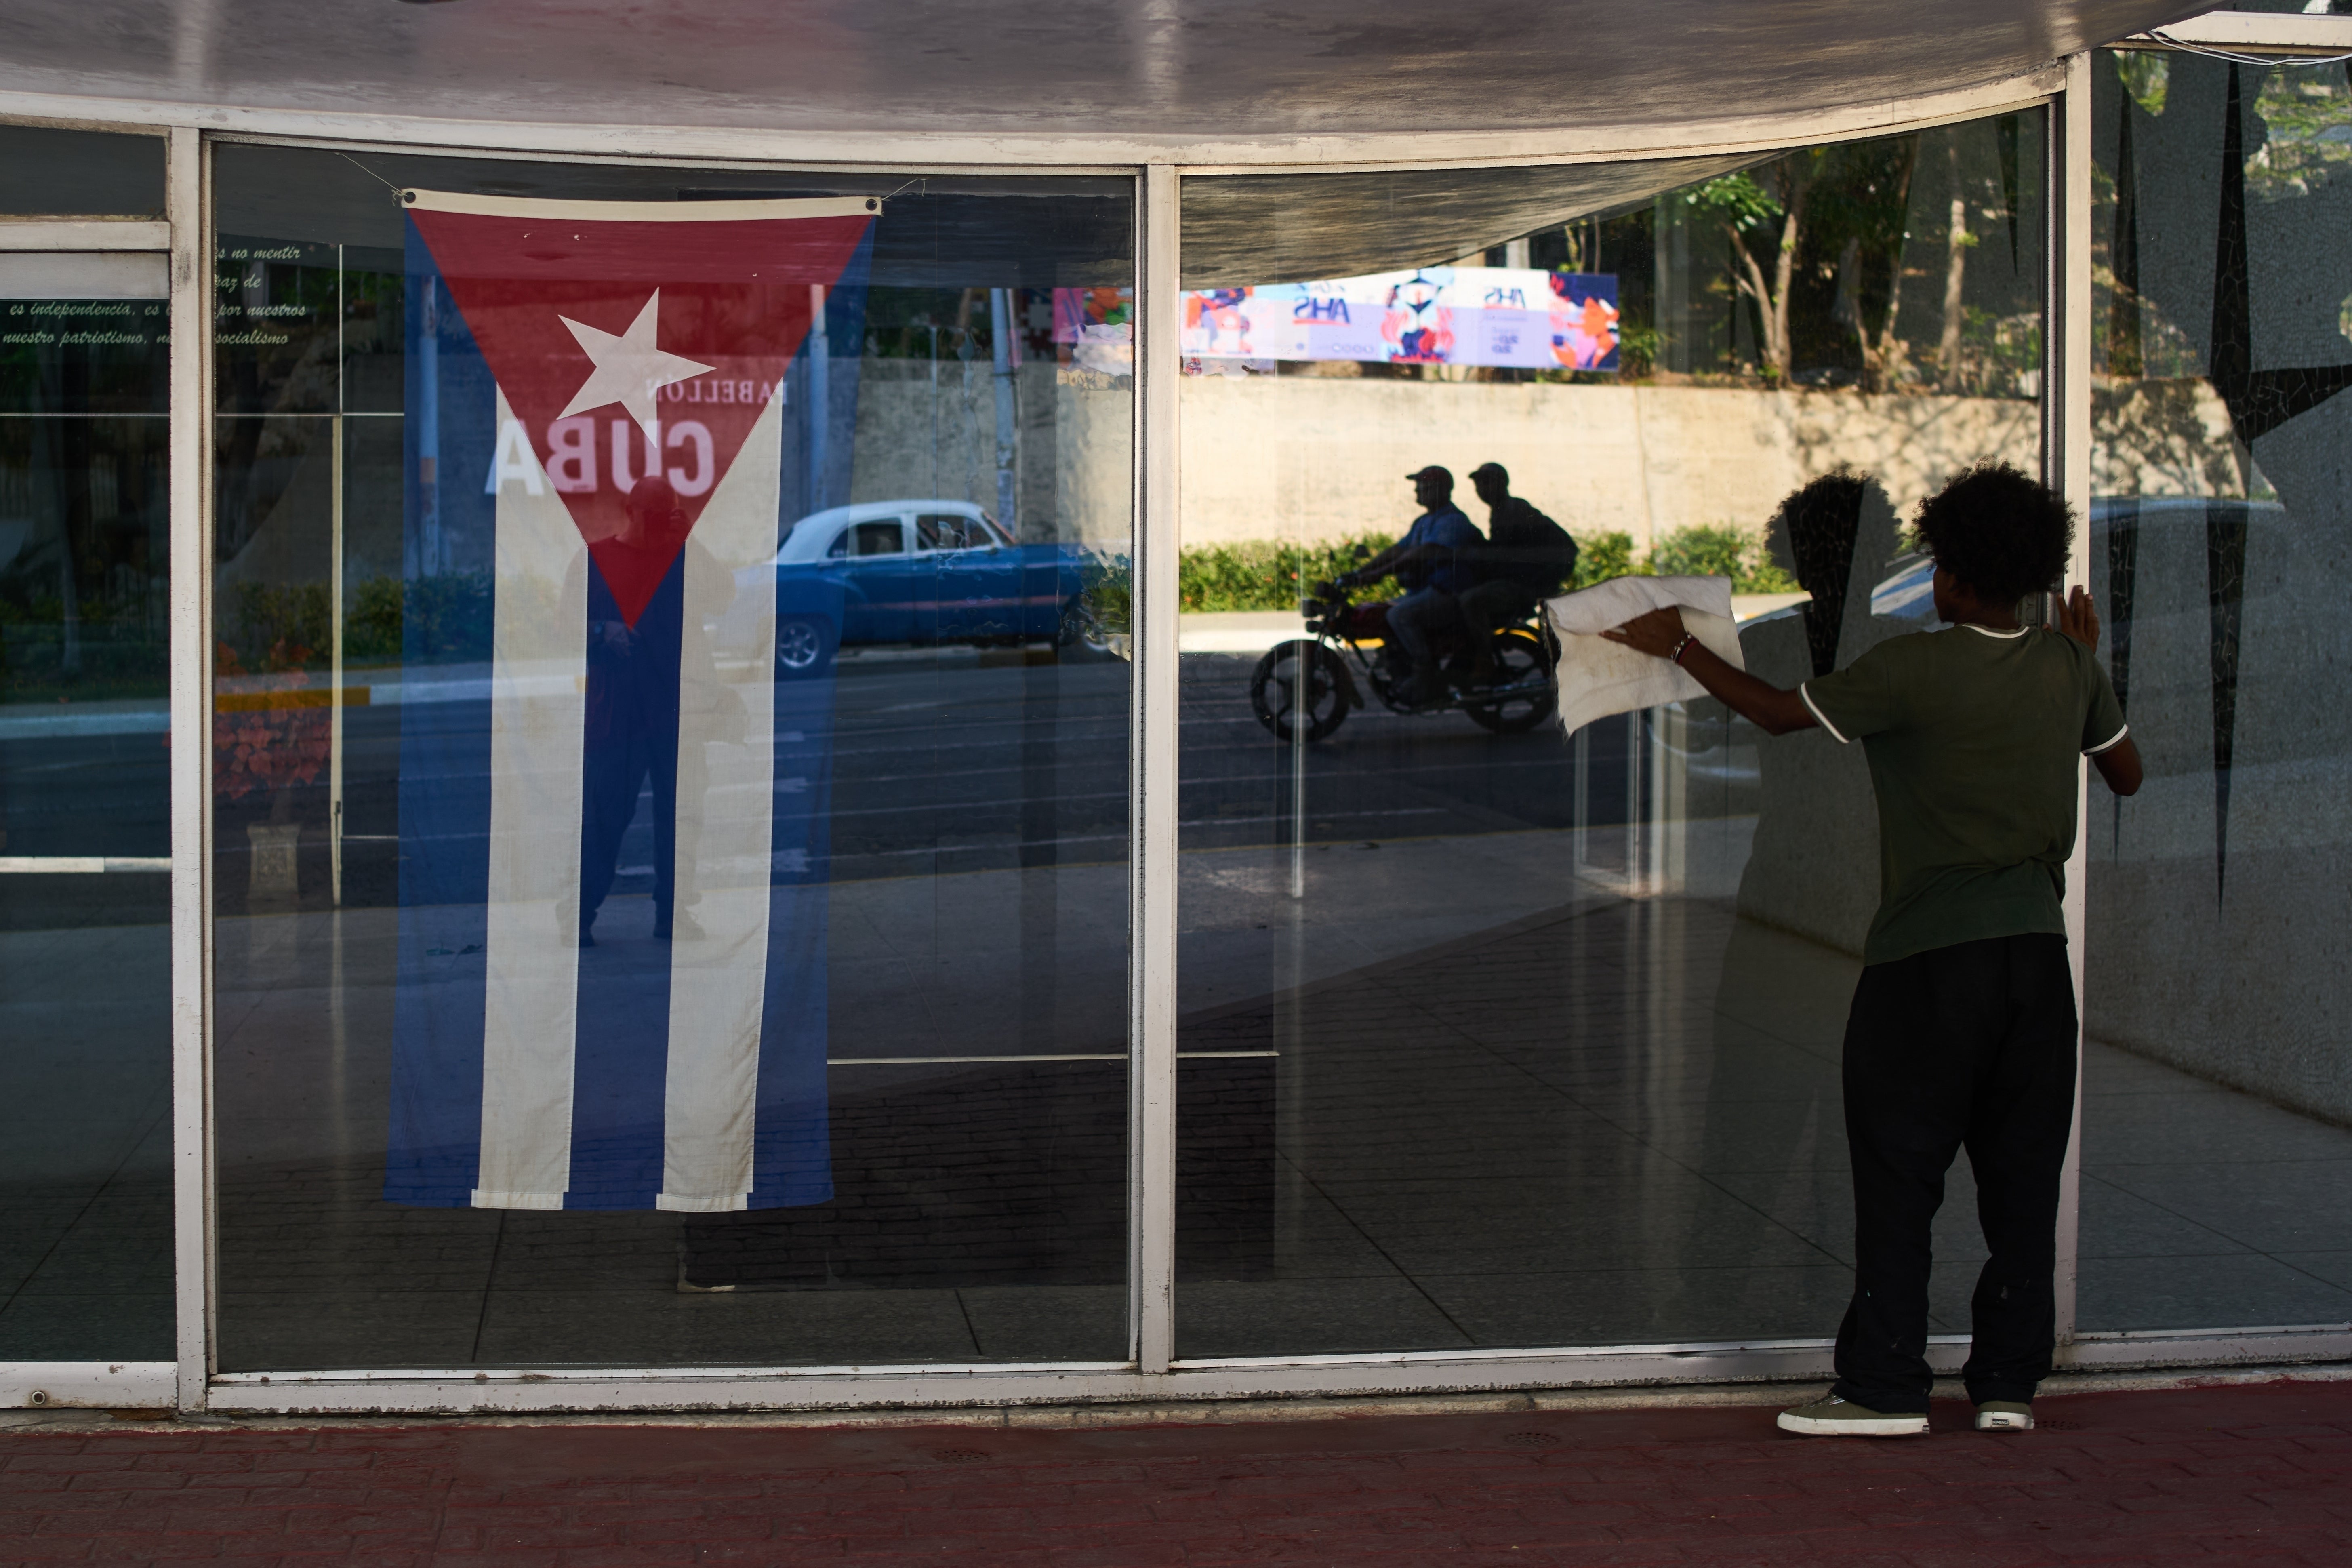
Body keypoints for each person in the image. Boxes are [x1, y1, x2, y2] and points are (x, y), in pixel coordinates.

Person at [1600, 462, 2143, 1438]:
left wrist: (1676, 639)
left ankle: (1884, 1385)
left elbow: (1771, 712)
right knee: (2020, 1178)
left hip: (1928, 960)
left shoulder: (1910, 668)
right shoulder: (2067, 666)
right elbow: (2126, 773)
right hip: (2034, 960)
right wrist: (2085, 665)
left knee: (1899, 1170)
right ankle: (2008, 1383)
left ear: (1950, 577)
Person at [1333, 465, 1481, 705]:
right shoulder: (1424, 521)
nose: (1417, 493)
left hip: (1448, 593)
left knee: (1399, 615)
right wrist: (1360, 572)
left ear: (1440, 490)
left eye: (1422, 487)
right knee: (1381, 613)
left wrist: (1379, 574)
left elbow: (1422, 554)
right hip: (1427, 592)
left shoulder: (1453, 521)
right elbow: (1397, 551)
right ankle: (1399, 663)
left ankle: (1424, 672)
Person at [1459, 461, 1578, 687]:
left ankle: (1484, 659)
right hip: (1526, 579)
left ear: (1502, 483)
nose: (1481, 490)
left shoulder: (1513, 511)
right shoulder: (1502, 510)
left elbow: (1505, 554)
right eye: (1478, 485)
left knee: (1471, 601)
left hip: (1529, 584)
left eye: (1486, 483)